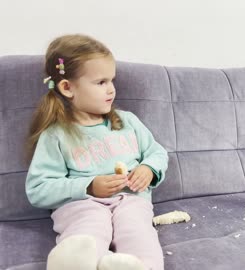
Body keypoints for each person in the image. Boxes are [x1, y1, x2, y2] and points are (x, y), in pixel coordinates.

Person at [25, 34, 168, 270]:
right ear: (67, 87)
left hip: (131, 199)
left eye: (112, 80)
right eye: (101, 82)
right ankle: (76, 264)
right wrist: (89, 186)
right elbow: (38, 189)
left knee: (138, 230)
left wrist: (148, 168)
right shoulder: (56, 135)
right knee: (88, 228)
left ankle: (141, 266)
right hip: (82, 202)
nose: (111, 89)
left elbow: (157, 153)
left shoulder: (127, 122)